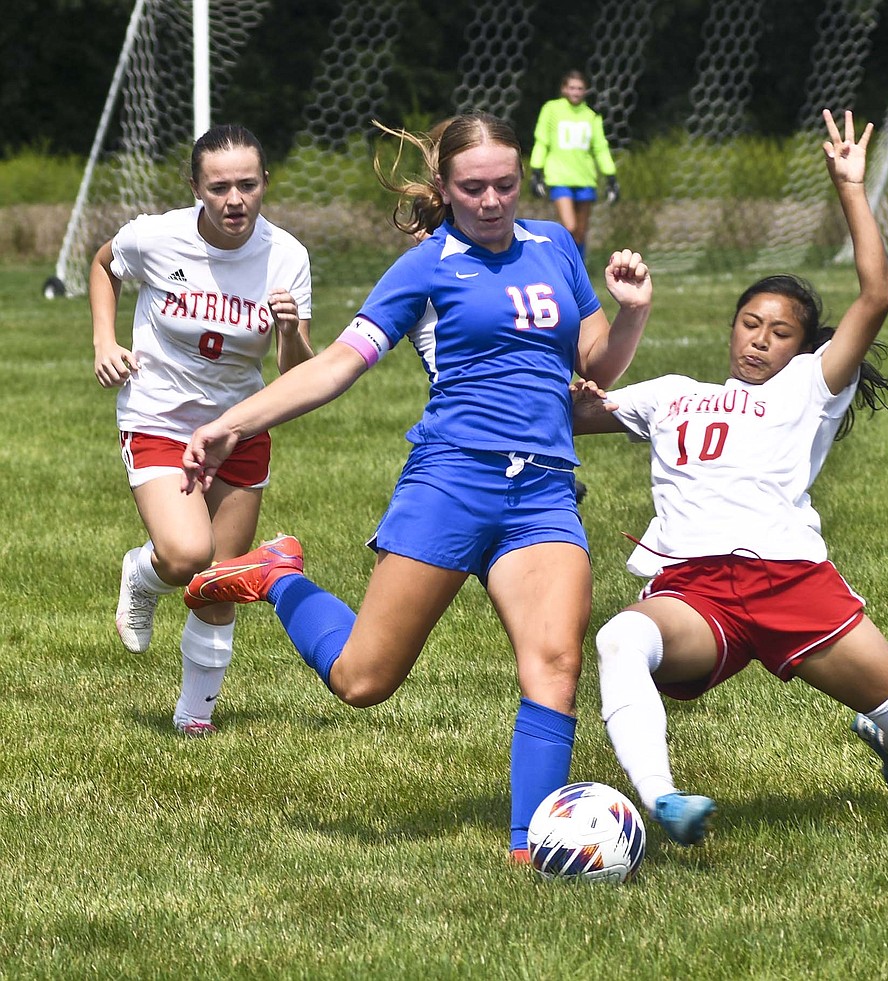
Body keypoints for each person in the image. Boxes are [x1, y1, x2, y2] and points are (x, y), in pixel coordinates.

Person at [177, 112, 653, 862]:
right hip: (450, 484)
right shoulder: (428, 266)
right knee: (364, 679)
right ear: (444, 187)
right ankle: (276, 575)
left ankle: (529, 848)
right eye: (473, 188)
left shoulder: (557, 246)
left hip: (542, 492)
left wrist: (631, 313)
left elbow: (594, 364)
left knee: (555, 664)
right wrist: (233, 421)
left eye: (505, 184)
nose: (492, 200)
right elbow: (336, 365)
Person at [572, 110, 888, 847]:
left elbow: (876, 296)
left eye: (779, 332)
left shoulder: (811, 384)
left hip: (792, 583)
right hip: (695, 588)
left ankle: (887, 737)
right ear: (733, 324)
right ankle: (664, 799)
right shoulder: (669, 391)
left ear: (805, 346)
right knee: (620, 637)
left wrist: (850, 186)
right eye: (750, 322)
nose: (760, 339)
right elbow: (569, 417)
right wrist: (578, 391)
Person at [89, 123, 313, 737]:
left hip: (239, 425)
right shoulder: (157, 236)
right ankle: (143, 574)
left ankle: (195, 719)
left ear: (265, 183)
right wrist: (105, 339)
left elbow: (298, 375)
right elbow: (105, 263)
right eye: (219, 187)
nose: (235, 199)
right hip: (158, 415)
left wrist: (290, 332)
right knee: (188, 555)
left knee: (223, 578)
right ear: (196, 188)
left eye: (247, 184)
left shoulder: (287, 256)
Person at [529, 69, 620, 263]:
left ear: (585, 91)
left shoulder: (591, 115)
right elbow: (542, 140)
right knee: (568, 227)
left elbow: (600, 148)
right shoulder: (552, 110)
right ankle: (563, 264)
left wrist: (611, 176)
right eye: (572, 88)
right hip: (560, 177)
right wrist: (536, 170)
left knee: (580, 232)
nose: (576, 92)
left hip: (585, 178)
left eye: (580, 88)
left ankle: (579, 271)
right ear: (564, 89)